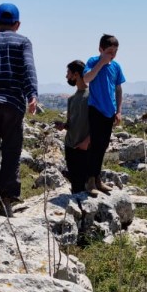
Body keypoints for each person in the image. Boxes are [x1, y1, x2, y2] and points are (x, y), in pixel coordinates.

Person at [0, 2, 38, 215]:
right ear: (17, 24)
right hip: (14, 104)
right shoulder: (23, 42)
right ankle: (7, 201)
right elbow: (28, 67)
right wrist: (32, 94)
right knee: (12, 153)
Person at [83, 34, 125, 193]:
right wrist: (101, 62)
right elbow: (87, 78)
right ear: (100, 49)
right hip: (95, 109)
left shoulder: (116, 66)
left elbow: (118, 89)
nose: (112, 54)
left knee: (102, 146)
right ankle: (90, 181)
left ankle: (97, 179)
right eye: (109, 51)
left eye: (115, 51)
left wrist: (119, 110)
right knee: (94, 146)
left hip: (110, 111)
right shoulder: (93, 61)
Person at [63, 61, 91, 194]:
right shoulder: (72, 99)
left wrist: (87, 142)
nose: (66, 76)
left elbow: (98, 124)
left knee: (83, 187)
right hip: (70, 146)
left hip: (84, 148)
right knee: (75, 186)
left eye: (68, 73)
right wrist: (63, 126)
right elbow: (70, 123)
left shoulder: (92, 96)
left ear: (76, 74)